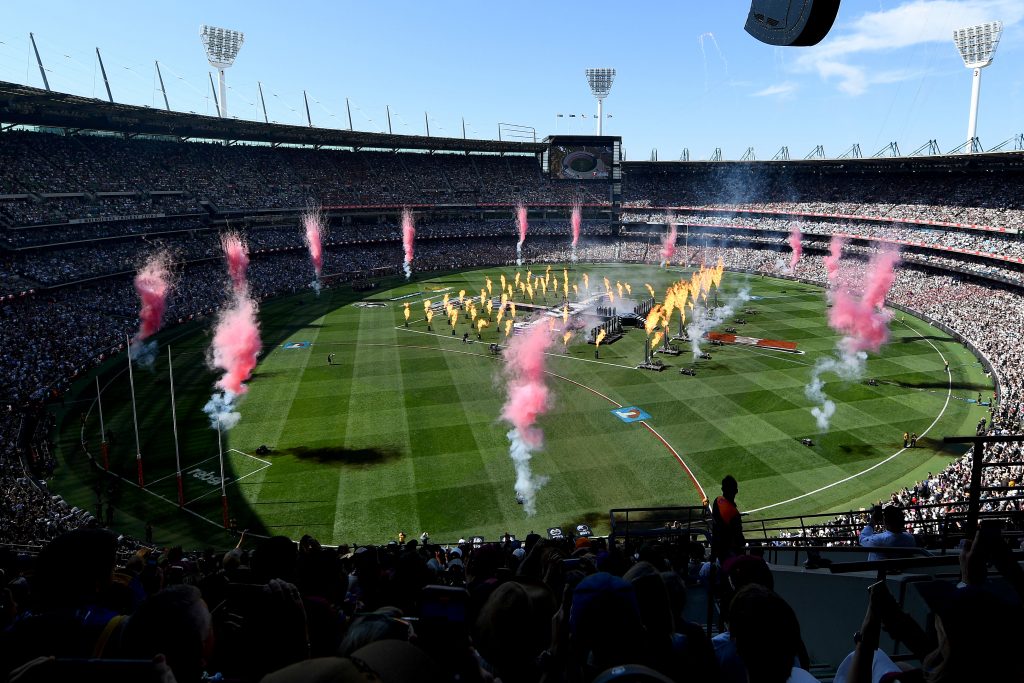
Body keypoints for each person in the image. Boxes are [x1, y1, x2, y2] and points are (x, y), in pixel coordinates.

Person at [711, 475, 745, 563]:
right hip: (728, 554)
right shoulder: (734, 514)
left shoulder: (717, 501)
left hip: (716, 548)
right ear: (736, 491)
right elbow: (739, 538)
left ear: (722, 489)